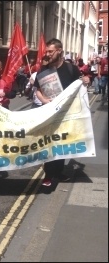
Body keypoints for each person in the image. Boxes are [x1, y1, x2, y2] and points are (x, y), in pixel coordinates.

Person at [34, 38, 90, 187]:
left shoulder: (71, 69)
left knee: (61, 145)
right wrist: (44, 100)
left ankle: (57, 172)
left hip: (66, 115)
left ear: (59, 51)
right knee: (48, 144)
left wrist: (85, 80)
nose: (47, 54)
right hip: (49, 113)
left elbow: (81, 84)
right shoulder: (43, 70)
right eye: (47, 51)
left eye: (50, 51)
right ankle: (48, 174)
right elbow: (37, 90)